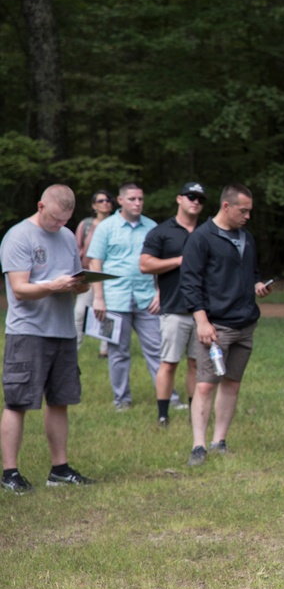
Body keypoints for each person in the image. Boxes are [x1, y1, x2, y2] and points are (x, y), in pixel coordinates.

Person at [1, 185, 95, 494]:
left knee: (60, 400)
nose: (59, 225)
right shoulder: (19, 236)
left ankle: (59, 469)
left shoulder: (67, 236)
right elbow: (19, 289)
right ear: (41, 206)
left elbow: (72, 277)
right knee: (18, 402)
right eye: (55, 219)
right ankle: (10, 473)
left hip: (63, 331)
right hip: (28, 331)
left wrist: (80, 285)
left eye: (65, 220)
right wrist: (52, 286)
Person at [178, 183, 272, 466]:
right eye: (243, 211)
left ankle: (219, 441)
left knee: (232, 383)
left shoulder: (247, 238)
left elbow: (252, 271)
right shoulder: (201, 238)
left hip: (245, 325)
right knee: (206, 385)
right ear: (227, 206)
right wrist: (202, 322)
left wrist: (257, 284)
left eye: (250, 211)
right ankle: (198, 446)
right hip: (216, 327)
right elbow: (190, 283)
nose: (248, 217)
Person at [87, 183, 163, 411]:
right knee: (117, 352)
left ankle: (167, 397)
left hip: (147, 298)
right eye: (132, 199)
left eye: (140, 199)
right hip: (114, 298)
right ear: (120, 201)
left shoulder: (152, 227)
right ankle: (122, 400)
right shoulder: (106, 227)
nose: (137, 203)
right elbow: (95, 262)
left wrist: (161, 292)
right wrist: (98, 297)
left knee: (158, 349)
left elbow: (160, 263)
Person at [140, 182, 207, 428]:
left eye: (201, 199)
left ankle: (194, 411)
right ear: (179, 199)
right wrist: (180, 260)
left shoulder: (206, 231)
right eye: (191, 197)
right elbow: (145, 265)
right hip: (173, 308)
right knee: (169, 363)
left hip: (202, 310)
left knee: (196, 364)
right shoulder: (162, 231)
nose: (196, 202)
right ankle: (162, 414)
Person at [73, 189, 114, 356]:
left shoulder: (116, 225)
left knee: (109, 312)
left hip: (110, 276)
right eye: (100, 201)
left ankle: (105, 350)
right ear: (93, 206)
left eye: (108, 200)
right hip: (89, 274)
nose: (105, 203)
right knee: (80, 312)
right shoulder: (87, 224)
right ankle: (74, 347)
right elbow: (76, 249)